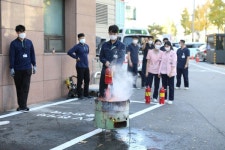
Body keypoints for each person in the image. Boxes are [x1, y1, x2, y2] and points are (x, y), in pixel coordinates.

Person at [9, 25, 36, 112]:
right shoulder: (13, 44)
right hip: (17, 69)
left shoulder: (29, 42)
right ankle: (21, 105)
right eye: (20, 32)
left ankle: (23, 106)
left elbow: (32, 54)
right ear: (17, 33)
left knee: (26, 87)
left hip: (27, 68)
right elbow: (11, 56)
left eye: (23, 31)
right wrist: (12, 68)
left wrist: (34, 65)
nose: (22, 33)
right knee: (19, 88)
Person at [99, 25, 125, 99]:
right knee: (103, 87)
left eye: (114, 34)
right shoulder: (104, 45)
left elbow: (121, 58)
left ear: (117, 34)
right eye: (111, 33)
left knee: (115, 87)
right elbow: (101, 57)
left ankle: (114, 101)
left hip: (116, 70)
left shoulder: (121, 45)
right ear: (108, 33)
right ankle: (102, 99)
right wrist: (105, 62)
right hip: (105, 69)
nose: (112, 35)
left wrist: (115, 65)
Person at [67, 33, 91, 99]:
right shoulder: (77, 46)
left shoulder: (86, 46)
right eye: (81, 38)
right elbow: (69, 52)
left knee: (87, 80)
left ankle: (86, 94)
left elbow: (86, 53)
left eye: (83, 38)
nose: (83, 39)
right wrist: (76, 57)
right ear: (78, 39)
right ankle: (79, 94)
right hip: (80, 66)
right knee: (80, 81)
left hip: (86, 66)